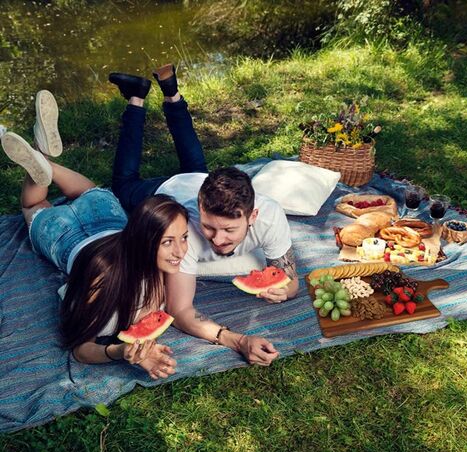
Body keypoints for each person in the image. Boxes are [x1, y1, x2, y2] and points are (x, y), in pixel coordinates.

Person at [108, 65, 300, 366]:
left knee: (196, 165)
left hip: (199, 181)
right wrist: (237, 340)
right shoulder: (181, 232)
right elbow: (180, 310)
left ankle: (171, 92)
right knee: (123, 185)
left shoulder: (270, 216)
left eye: (229, 230)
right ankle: (136, 99)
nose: (218, 240)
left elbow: (291, 280)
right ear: (199, 210)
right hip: (166, 190)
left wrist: (284, 291)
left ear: (253, 216)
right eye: (209, 227)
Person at [1, 90, 186, 380]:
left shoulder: (152, 255)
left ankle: (44, 159)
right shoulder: (108, 287)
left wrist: (124, 351)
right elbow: (81, 349)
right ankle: (42, 159)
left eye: (183, 239)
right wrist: (118, 350)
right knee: (33, 205)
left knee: (87, 191)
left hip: (110, 221)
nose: (180, 251)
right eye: (171, 242)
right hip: (66, 241)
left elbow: (83, 348)